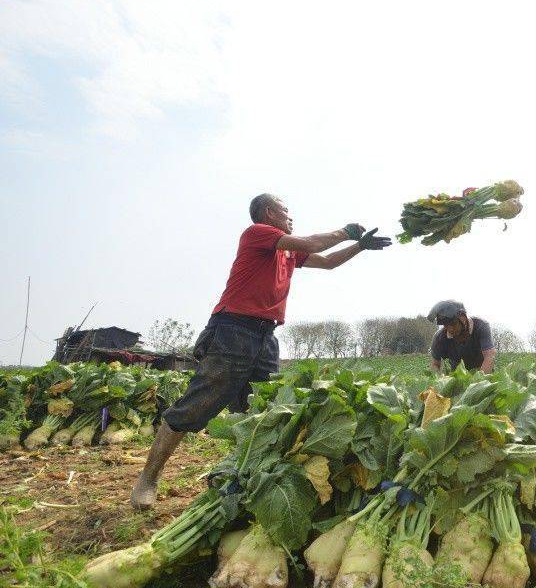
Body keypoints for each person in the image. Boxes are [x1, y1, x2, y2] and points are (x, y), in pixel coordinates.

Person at [131, 193, 390, 509]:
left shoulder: (287, 251)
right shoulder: (258, 234)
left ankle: (236, 476)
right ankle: (147, 481)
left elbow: (329, 262)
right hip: (234, 330)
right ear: (269, 213)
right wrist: (345, 232)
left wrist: (359, 247)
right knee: (197, 405)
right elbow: (314, 244)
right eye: (285, 211)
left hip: (266, 335)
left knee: (261, 411)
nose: (291, 216)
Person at [428, 300, 496, 373]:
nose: (450, 329)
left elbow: (489, 356)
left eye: (453, 324)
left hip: (483, 374)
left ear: (463, 318)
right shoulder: (439, 337)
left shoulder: (481, 326)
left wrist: (479, 381)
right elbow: (435, 364)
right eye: (446, 325)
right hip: (458, 377)